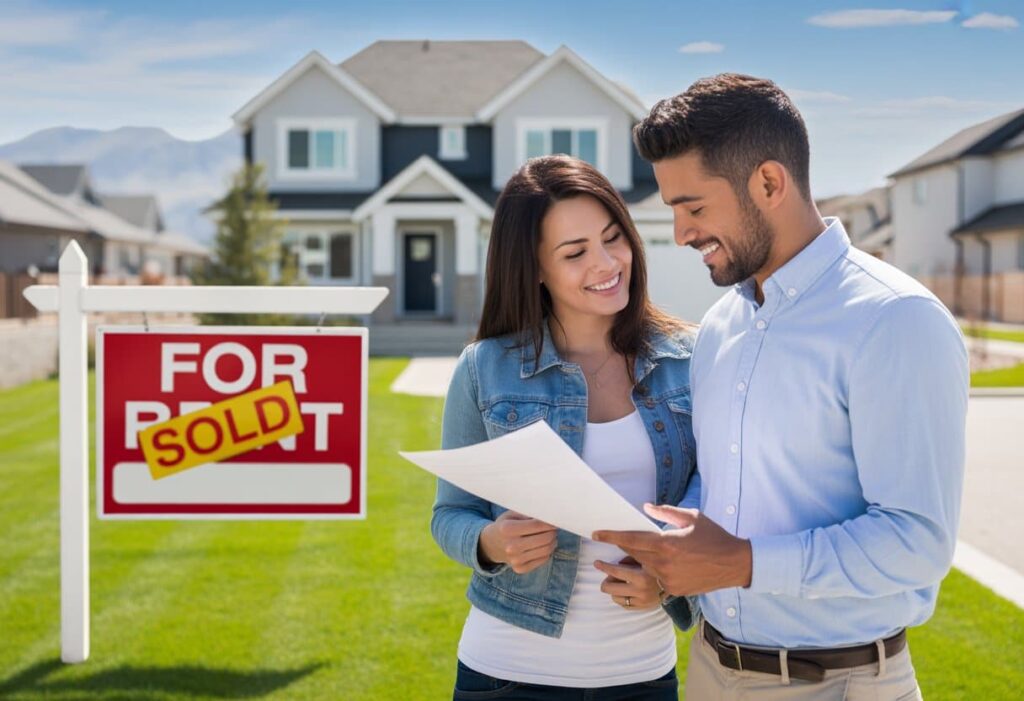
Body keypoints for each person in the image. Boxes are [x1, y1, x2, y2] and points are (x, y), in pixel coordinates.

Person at [594, 74, 969, 700]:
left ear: (769, 183)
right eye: (674, 212)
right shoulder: (721, 326)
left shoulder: (894, 319)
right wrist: (671, 557)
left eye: (694, 207)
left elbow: (916, 541)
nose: (681, 234)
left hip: (840, 683)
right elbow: (722, 485)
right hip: (712, 671)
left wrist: (741, 563)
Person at [431, 154, 700, 699]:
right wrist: (489, 543)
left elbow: (716, 502)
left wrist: (672, 580)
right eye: (575, 253)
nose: (605, 264)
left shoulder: (689, 360)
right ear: (533, 268)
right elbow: (448, 514)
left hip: (642, 676)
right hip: (506, 673)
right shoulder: (485, 368)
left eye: (612, 238)